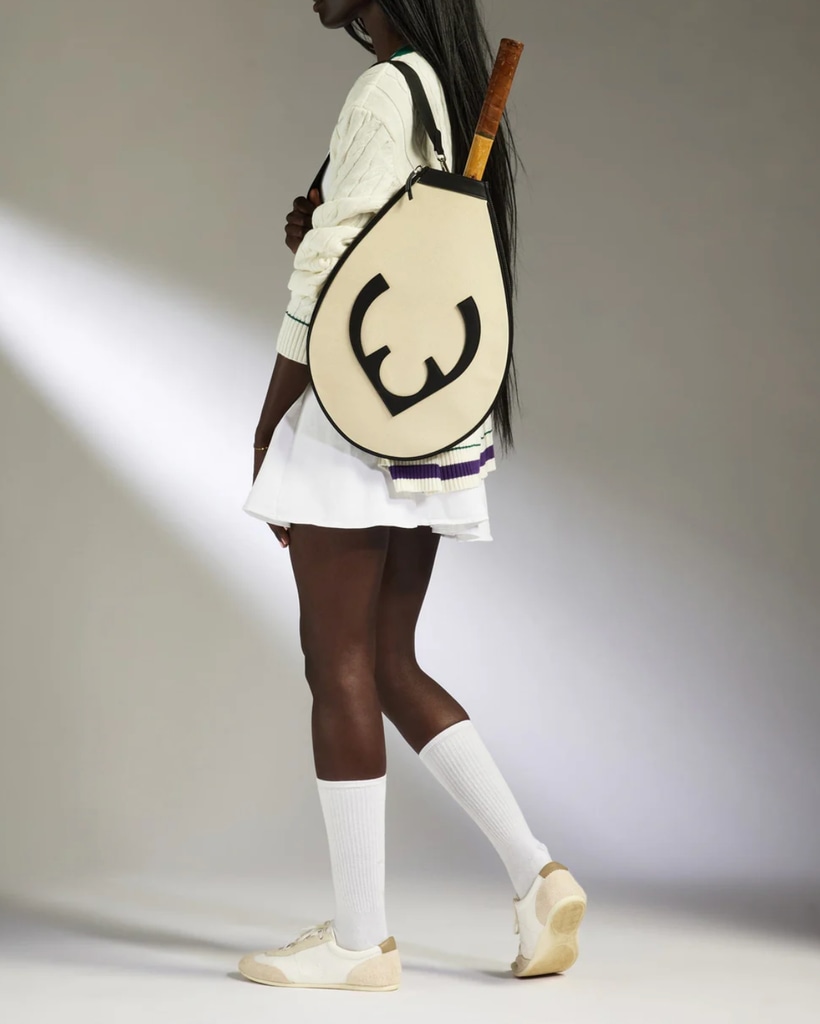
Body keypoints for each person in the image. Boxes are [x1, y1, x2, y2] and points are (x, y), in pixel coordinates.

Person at [238, 1, 586, 993]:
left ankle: (360, 941)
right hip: (433, 418)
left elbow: (324, 276)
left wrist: (272, 412)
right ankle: (535, 874)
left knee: (337, 660)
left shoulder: (383, 89)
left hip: (353, 416)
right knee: (389, 658)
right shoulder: (447, 90)